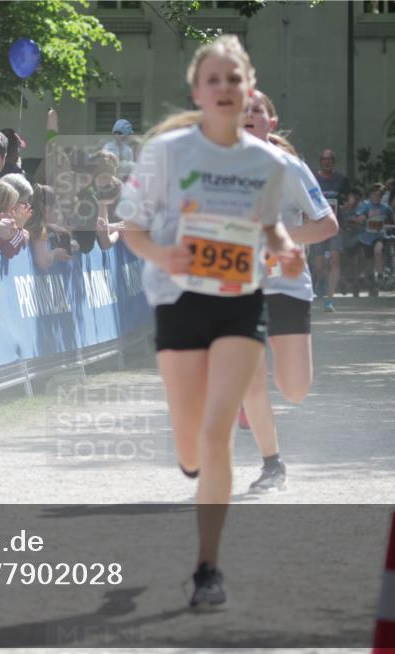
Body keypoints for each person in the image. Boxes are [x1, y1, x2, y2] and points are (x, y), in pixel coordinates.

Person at [119, 35, 303, 610]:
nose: (225, 89)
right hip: (178, 299)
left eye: (234, 80)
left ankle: (208, 568)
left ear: (248, 90)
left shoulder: (268, 160)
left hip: (239, 299)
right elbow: (131, 226)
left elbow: (269, 224)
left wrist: (285, 246)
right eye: (213, 80)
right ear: (198, 92)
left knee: (219, 430)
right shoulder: (167, 154)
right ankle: (191, 457)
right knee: (191, 439)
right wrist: (162, 255)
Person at [233, 90, 337, 492]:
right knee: (252, 381)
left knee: (294, 389)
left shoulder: (290, 169)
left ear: (270, 122)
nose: (247, 115)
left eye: (256, 110)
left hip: (287, 286)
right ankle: (272, 465)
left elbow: (327, 226)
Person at [310, 148, 351, 297]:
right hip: (318, 225)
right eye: (324, 159)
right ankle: (320, 279)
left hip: (335, 225)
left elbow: (350, 198)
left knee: (335, 258)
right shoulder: (314, 179)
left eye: (330, 159)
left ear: (333, 162)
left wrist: (345, 206)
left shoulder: (341, 180)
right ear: (320, 161)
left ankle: (330, 296)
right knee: (319, 265)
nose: (327, 162)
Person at [354, 183, 395, 297]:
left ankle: (380, 275)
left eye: (379, 195)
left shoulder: (384, 207)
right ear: (370, 195)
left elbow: (393, 215)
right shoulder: (365, 205)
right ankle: (371, 282)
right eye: (374, 195)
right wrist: (362, 218)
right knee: (368, 262)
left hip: (379, 235)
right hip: (366, 237)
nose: (376, 197)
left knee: (378, 251)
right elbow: (359, 217)